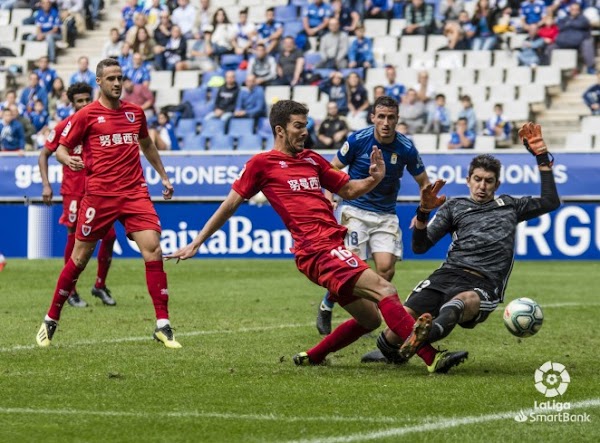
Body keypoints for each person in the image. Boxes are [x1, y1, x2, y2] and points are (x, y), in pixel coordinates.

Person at [166, 100, 465, 372]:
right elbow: (229, 204)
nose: (305, 132)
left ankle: (315, 355)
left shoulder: (311, 159)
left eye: (306, 126)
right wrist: (197, 242)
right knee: (385, 290)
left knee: (371, 319)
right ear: (280, 130)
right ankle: (431, 357)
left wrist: (374, 177)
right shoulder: (262, 164)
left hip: (331, 245)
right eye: (299, 126)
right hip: (316, 249)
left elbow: (348, 190)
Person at [361, 123, 560, 370]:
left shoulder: (510, 206)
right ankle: (396, 348)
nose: (482, 186)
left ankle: (426, 335)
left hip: (483, 282)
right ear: (468, 180)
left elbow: (551, 201)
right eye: (477, 179)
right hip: (446, 274)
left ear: (497, 184)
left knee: (460, 302)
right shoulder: (454, 207)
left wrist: (541, 156)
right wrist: (423, 213)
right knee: (396, 330)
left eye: (489, 181)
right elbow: (421, 247)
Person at [35, 58, 180, 349]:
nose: (117, 83)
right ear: (99, 81)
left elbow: (147, 144)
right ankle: (51, 318)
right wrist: (68, 160)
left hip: (135, 193)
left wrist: (163, 175)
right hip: (99, 196)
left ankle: (163, 325)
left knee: (153, 249)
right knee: (78, 259)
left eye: (120, 77)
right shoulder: (86, 115)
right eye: (111, 78)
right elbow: (59, 150)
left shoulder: (135, 113)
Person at [316, 95, 431, 336]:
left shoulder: (406, 148)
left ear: (397, 119)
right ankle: (327, 304)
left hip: (386, 215)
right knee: (351, 269)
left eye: (391, 117)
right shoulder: (358, 140)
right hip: (355, 210)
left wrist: (422, 212)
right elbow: (332, 168)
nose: (386, 122)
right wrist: (329, 195)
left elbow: (423, 182)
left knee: (386, 269)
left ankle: (373, 315)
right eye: (381, 117)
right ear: (373, 118)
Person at [38, 82, 118, 308]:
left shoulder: (99, 122)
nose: (84, 104)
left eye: (86, 100)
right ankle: (70, 291)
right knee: (74, 239)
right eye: (79, 101)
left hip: (98, 189)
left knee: (110, 236)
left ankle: (100, 285)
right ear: (72, 103)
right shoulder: (65, 125)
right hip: (73, 191)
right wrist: (46, 185)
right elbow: (44, 154)